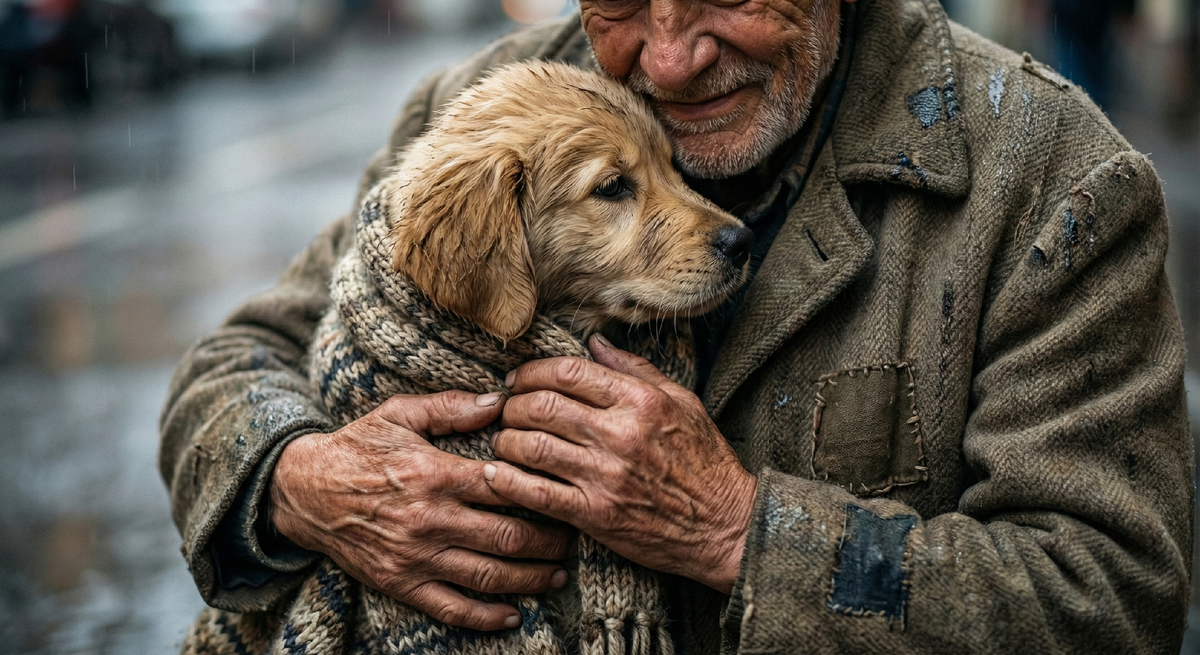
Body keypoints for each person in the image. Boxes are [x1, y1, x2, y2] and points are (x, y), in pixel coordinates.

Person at [159, 0, 1194, 652]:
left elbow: (1108, 597)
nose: (665, 59)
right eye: (618, 0)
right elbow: (236, 362)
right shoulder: (492, 104)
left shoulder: (1048, 180)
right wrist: (307, 481)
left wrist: (741, 530)